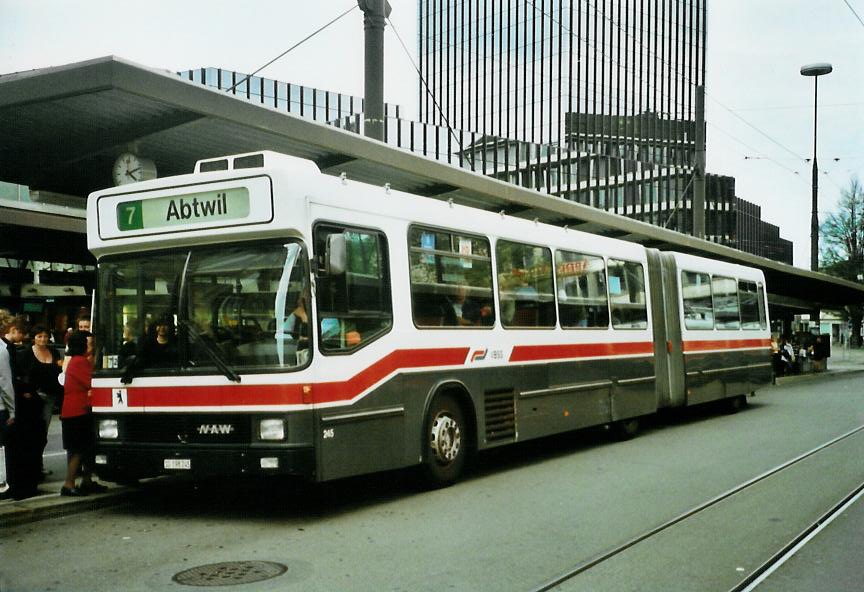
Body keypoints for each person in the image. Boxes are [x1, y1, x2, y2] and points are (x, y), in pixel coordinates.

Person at [60, 330, 106, 496]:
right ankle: (69, 483)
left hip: (79, 410)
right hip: (76, 411)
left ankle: (86, 481)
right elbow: (90, 381)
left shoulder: (79, 361)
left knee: (87, 448)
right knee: (78, 449)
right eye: (89, 343)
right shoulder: (79, 362)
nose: (91, 346)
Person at [20, 325, 63, 480]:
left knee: (43, 432)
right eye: (39, 336)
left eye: (45, 336)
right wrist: (25, 392)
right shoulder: (26, 353)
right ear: (34, 337)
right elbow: (21, 375)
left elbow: (59, 373)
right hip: (33, 397)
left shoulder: (54, 352)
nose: (43, 339)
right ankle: (34, 465)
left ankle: (39, 464)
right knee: (33, 433)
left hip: (50, 397)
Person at [3, 315, 34, 499]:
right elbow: (7, 380)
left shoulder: (9, 348)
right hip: (8, 402)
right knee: (11, 446)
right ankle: (12, 484)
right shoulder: (6, 349)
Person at [0, 311, 17, 497]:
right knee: (1, 446)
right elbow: (5, 381)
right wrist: (13, 410)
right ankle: (1, 483)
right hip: (0, 406)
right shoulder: (1, 349)